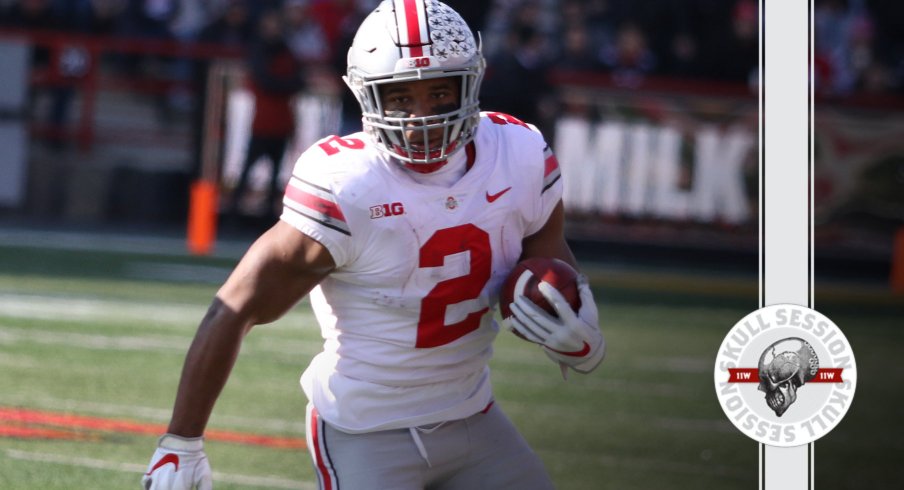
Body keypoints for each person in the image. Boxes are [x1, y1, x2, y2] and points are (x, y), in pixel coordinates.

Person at [141, 1, 605, 489]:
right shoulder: (347, 184)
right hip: (365, 431)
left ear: (473, 84)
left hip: (474, 415)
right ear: (366, 97)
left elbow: (550, 263)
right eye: (400, 98)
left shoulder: (520, 153)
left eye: (440, 93)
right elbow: (235, 306)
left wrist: (580, 325)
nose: (419, 118)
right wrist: (182, 441)